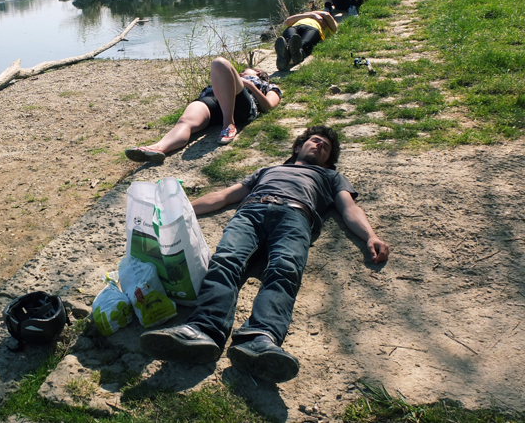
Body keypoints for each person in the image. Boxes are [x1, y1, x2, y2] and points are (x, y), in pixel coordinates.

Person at [140, 126, 389, 383]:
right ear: (298, 147)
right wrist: (178, 212)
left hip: (296, 216)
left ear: (328, 161)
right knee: (225, 261)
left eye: (325, 147)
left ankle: (260, 339)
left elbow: (349, 208)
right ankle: (203, 329)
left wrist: (370, 236)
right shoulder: (267, 170)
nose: (320, 146)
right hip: (251, 212)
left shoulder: (330, 176)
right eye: (315, 141)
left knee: (285, 270)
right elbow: (224, 196)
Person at [125, 58, 281, 164]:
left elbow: (269, 106)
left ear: (257, 73)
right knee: (185, 122)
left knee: (219, 63)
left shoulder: (267, 86)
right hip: (213, 100)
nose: (240, 74)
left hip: (240, 105)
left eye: (245, 71)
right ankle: (158, 148)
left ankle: (229, 124)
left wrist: (248, 84)